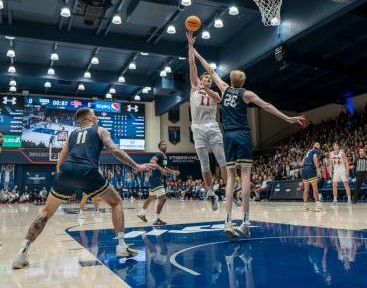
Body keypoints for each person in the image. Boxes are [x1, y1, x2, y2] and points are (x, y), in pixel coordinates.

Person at [12, 107, 153, 269]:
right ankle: (121, 246)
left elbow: (60, 161)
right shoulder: (100, 130)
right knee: (116, 203)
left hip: (66, 171)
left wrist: (64, 177)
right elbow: (114, 149)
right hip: (87, 171)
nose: (97, 117)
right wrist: (136, 166)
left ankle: (21, 254)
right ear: (90, 118)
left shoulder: (72, 135)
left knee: (45, 213)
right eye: (95, 115)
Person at [193, 46, 304, 238]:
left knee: (229, 179)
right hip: (242, 135)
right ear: (243, 81)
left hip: (227, 136)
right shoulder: (246, 94)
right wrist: (287, 118)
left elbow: (210, 70)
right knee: (244, 177)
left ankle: (227, 220)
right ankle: (245, 221)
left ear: (230, 80)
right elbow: (267, 106)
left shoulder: (224, 89)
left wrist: (195, 53)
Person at [187, 32, 227, 211]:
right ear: (200, 79)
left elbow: (218, 100)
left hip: (212, 125)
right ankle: (211, 192)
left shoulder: (215, 93)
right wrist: (190, 46)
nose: (208, 80)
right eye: (205, 78)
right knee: (204, 162)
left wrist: (207, 89)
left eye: (210, 79)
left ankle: (229, 190)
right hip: (197, 127)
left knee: (222, 160)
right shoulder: (195, 87)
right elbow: (191, 64)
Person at [137, 141, 179, 225]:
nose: (165, 145)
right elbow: (152, 161)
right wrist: (161, 169)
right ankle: (156, 219)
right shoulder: (159, 154)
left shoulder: (164, 156)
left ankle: (141, 214)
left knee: (151, 198)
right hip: (155, 179)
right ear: (159, 147)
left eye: (165, 144)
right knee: (163, 198)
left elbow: (165, 168)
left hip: (155, 179)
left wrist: (173, 172)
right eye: (163, 144)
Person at [301, 142, 324, 211]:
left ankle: (305, 206)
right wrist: (318, 169)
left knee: (306, 189)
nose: (318, 145)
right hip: (310, 168)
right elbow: (314, 158)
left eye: (319, 144)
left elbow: (302, 162)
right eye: (317, 144)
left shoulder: (308, 151)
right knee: (315, 188)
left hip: (303, 169)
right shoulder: (316, 150)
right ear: (314, 145)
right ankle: (318, 206)